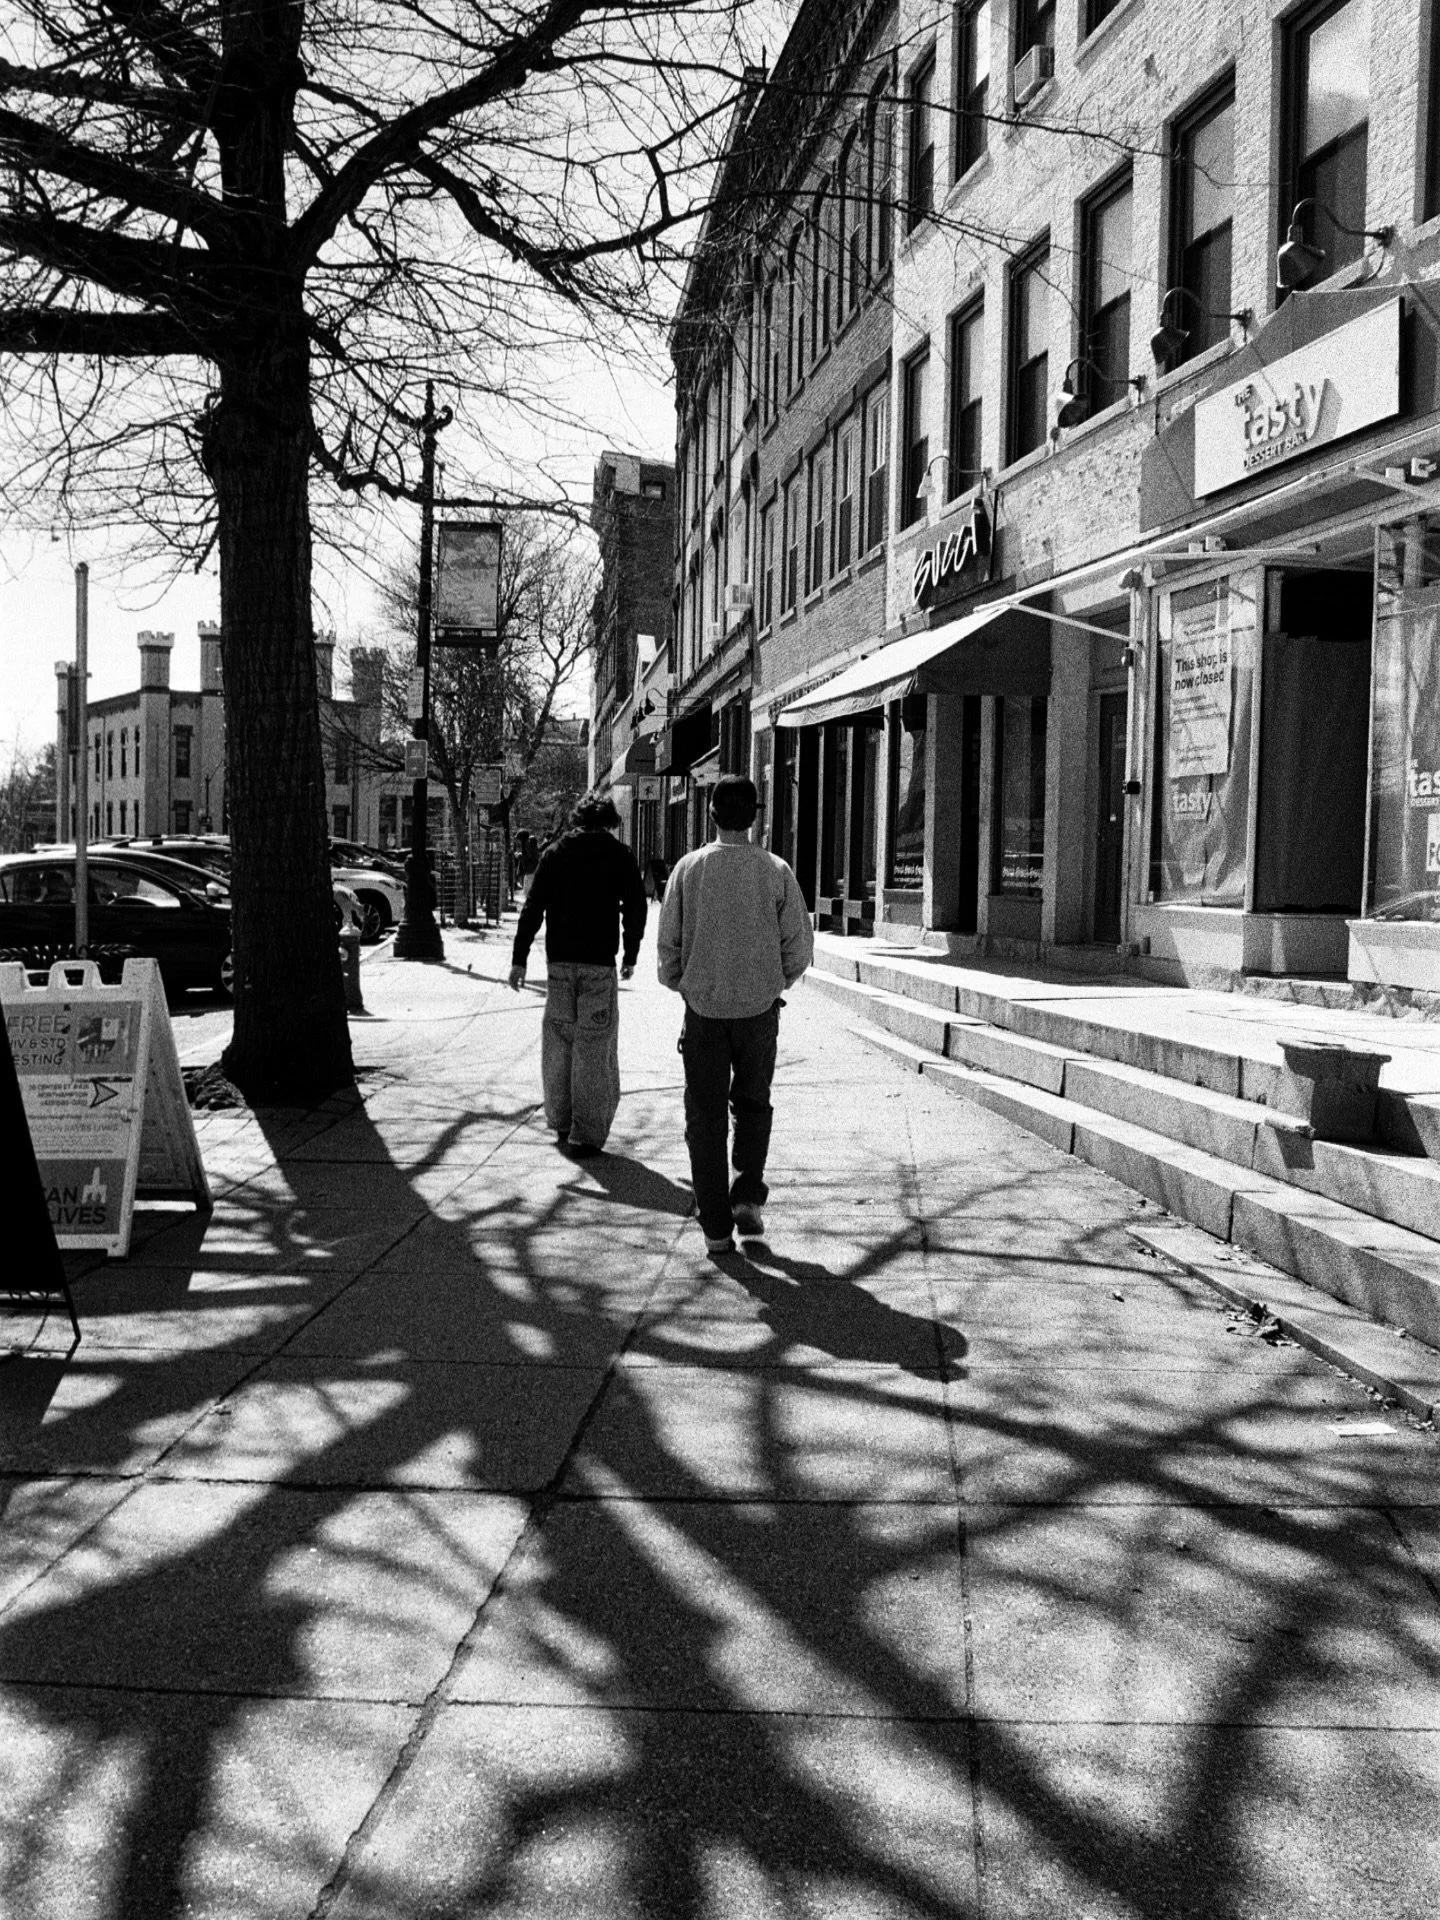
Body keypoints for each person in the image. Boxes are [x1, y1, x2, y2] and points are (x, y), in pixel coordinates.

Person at [657, 774, 813, 1254]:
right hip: (758, 1012)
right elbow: (799, 944)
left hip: (703, 1012)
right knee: (753, 1104)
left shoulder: (689, 869)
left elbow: (668, 945)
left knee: (704, 1115)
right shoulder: (776, 870)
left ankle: (716, 1228)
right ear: (754, 817)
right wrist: (775, 984)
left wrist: (682, 982)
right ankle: (746, 1194)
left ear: (711, 814)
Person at [508, 793, 647, 1156]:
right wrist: (631, 953)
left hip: (559, 965)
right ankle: (585, 1133)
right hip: (599, 965)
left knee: (559, 1045)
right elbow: (635, 906)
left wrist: (519, 959)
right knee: (593, 1049)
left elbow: (533, 908)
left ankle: (561, 1120)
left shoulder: (555, 853)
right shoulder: (618, 854)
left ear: (578, 818)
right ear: (609, 821)